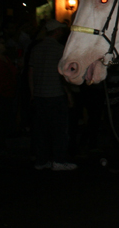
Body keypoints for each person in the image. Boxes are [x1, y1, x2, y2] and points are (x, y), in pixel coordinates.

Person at [28, 19, 76, 171]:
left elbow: (31, 72)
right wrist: (68, 93)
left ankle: (42, 161)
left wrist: (32, 92)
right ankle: (59, 160)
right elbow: (64, 74)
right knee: (59, 130)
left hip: (40, 95)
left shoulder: (36, 49)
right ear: (56, 32)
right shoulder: (60, 49)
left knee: (41, 130)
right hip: (55, 94)